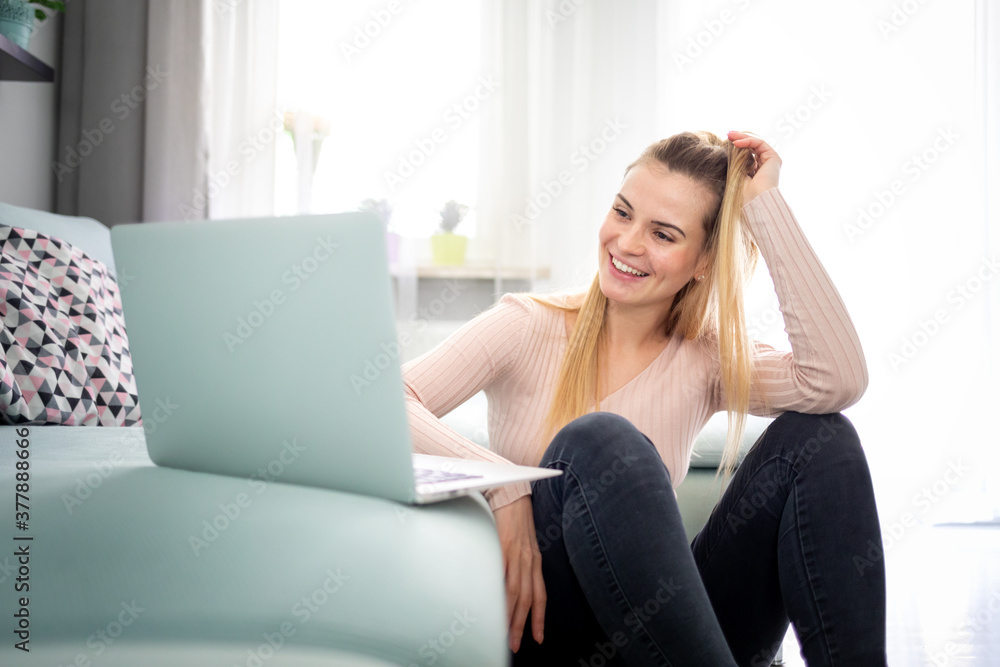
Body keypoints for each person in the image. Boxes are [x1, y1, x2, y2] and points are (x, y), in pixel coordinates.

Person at [402, 130, 886, 666]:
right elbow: (385, 403)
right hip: (552, 633)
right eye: (622, 212)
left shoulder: (705, 359)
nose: (628, 243)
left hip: (664, 639)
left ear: (703, 262)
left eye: (663, 233)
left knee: (820, 437)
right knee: (599, 438)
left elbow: (836, 380)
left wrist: (764, 208)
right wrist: (505, 488)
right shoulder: (525, 326)